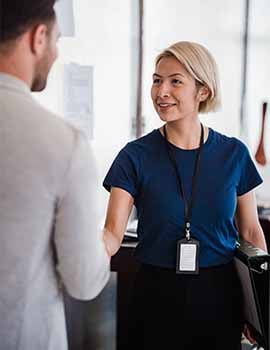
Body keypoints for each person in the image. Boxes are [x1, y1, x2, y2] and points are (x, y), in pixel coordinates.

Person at [102, 41, 267, 350]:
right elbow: (113, 232)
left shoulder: (234, 154)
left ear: (202, 91)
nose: (161, 91)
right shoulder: (133, 156)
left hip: (219, 294)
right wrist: (84, 251)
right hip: (155, 294)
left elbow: (250, 231)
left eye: (175, 81)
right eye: (156, 80)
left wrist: (261, 310)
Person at [0, 1, 110, 349]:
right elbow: (83, 280)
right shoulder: (63, 144)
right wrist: (104, 242)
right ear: (39, 37)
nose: (57, 52)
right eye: (58, 40)